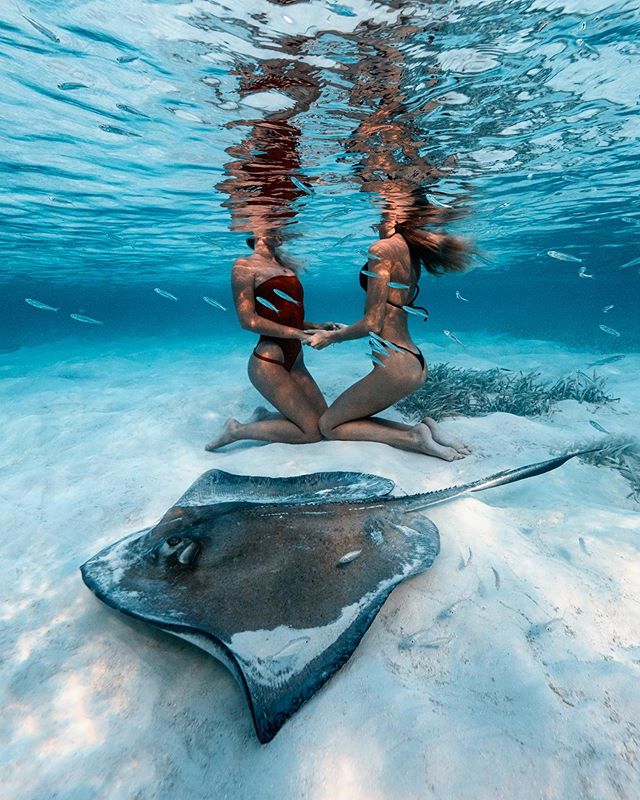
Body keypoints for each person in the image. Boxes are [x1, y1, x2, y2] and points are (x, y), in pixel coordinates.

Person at [305, 210, 472, 461]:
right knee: (354, 418)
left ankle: (414, 439)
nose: (375, 214)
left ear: (395, 215)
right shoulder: (409, 250)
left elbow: (372, 323)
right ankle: (425, 429)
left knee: (329, 425)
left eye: (382, 210)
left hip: (395, 366)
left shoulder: (382, 249)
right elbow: (390, 312)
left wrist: (330, 338)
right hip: (412, 360)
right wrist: (345, 328)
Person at [205, 235, 339, 450]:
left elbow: (286, 317)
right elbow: (248, 321)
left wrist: (316, 325)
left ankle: (264, 416)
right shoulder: (244, 265)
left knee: (326, 423)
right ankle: (236, 430)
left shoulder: (284, 265)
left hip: (295, 359)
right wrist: (301, 335)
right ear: (256, 233)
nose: (281, 232)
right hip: (269, 361)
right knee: (311, 433)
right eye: (274, 226)